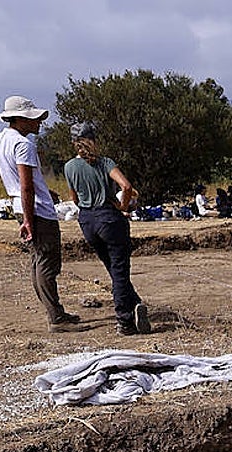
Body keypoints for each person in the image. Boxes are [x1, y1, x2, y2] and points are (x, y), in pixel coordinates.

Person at [0, 95, 81, 332]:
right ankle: (56, 317)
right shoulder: (24, 145)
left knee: (37, 261)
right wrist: (30, 220)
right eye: (34, 118)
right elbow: (26, 185)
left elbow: (22, 183)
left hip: (24, 206)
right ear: (20, 119)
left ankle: (56, 312)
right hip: (36, 211)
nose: (39, 122)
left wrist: (43, 193)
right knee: (46, 263)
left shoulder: (1, 139)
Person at [63, 122, 150, 336]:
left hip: (87, 221)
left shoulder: (69, 167)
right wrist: (122, 206)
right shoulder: (104, 163)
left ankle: (134, 302)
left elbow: (74, 199)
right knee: (120, 270)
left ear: (74, 144)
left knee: (112, 268)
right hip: (108, 218)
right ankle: (125, 320)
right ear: (94, 140)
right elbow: (127, 187)